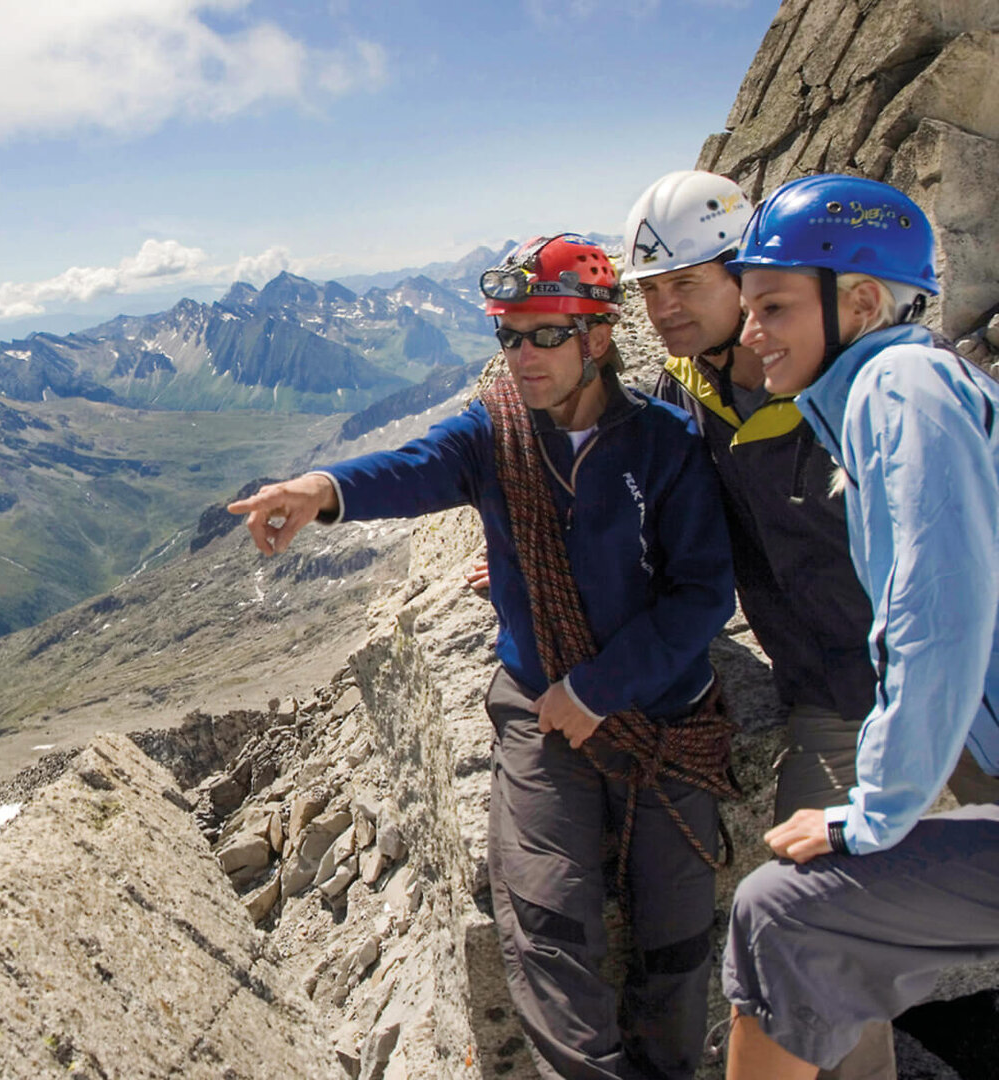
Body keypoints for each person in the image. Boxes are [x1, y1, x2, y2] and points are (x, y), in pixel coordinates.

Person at [230, 235, 736, 1080]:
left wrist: (599, 686)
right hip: (539, 708)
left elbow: (702, 596)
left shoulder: (664, 443)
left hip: (659, 709)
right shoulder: (495, 431)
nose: (522, 354)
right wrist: (323, 490)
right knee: (548, 918)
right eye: (509, 335)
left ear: (597, 339)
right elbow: (417, 467)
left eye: (545, 334)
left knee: (676, 935)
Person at [718, 174, 999, 1080]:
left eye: (773, 307)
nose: (751, 334)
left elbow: (935, 611)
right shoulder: (895, 392)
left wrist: (874, 813)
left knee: (783, 916)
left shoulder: (899, 385)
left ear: (863, 301)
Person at [622, 168, 896, 1077]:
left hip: (928, 688)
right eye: (650, 290)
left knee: (816, 921)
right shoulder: (687, 390)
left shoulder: (856, 389)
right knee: (816, 926)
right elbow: (643, 498)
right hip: (833, 699)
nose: (662, 309)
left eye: (685, 283)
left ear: (745, 272)